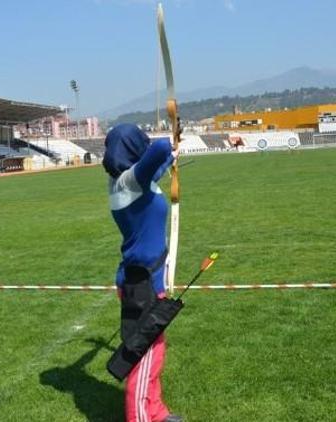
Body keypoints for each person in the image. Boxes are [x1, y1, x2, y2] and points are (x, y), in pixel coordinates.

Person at [103, 124, 182, 422]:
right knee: (144, 355)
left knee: (154, 349)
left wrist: (172, 155)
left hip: (141, 277)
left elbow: (158, 163)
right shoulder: (130, 181)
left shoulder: (125, 180)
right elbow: (159, 148)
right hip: (142, 282)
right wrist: (168, 143)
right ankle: (140, 417)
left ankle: (156, 411)